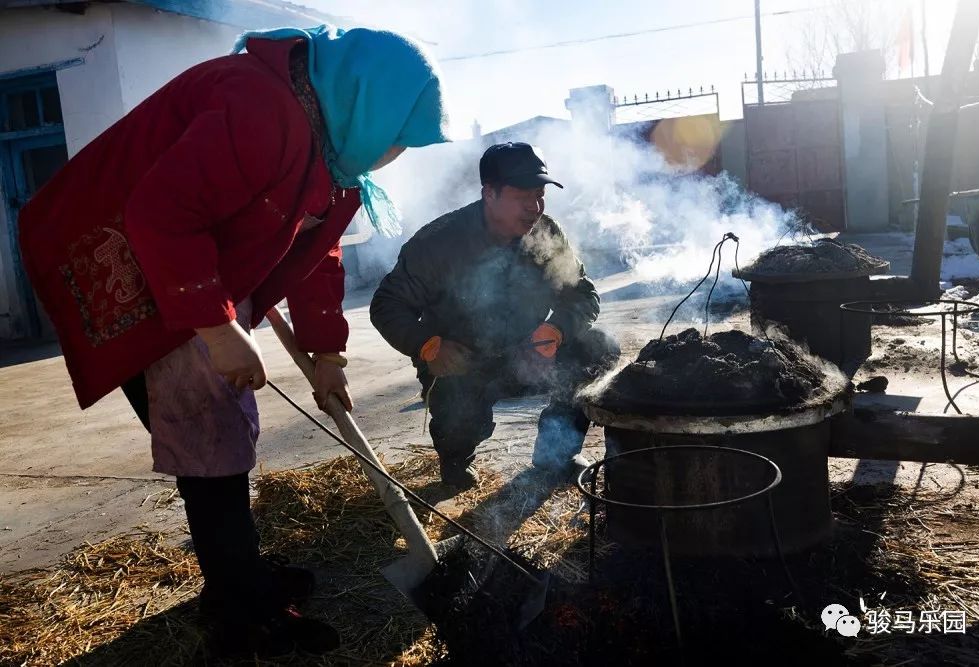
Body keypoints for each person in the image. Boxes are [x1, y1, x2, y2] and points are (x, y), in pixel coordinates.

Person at [17, 25, 450, 658]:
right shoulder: (261, 107)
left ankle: (239, 579)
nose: (394, 155)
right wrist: (219, 331)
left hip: (194, 266)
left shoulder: (333, 155)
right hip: (133, 259)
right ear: (366, 102)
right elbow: (161, 213)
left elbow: (318, 253)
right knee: (211, 445)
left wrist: (327, 355)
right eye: (396, 139)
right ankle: (243, 616)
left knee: (222, 439)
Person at [370, 142, 620, 490]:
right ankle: (456, 458)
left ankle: (556, 453)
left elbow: (582, 293)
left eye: (539, 195)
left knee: (599, 346)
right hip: (463, 366)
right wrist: (426, 345)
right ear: (490, 193)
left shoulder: (546, 233)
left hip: (528, 355)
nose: (534, 207)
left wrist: (557, 329)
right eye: (523, 197)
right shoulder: (438, 243)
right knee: (460, 428)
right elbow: (387, 304)